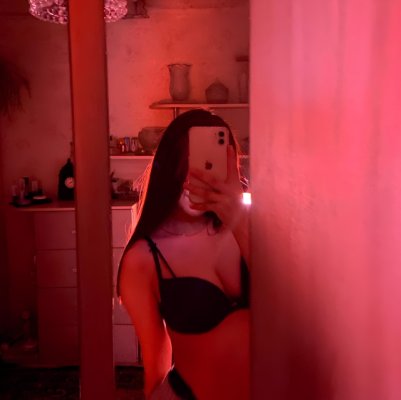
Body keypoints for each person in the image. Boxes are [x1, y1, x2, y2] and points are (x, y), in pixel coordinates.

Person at [117, 109, 250, 400]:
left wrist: (239, 219)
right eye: (187, 164)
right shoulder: (143, 258)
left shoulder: (254, 230)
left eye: (210, 164)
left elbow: (291, 305)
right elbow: (156, 358)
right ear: (170, 168)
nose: (197, 176)